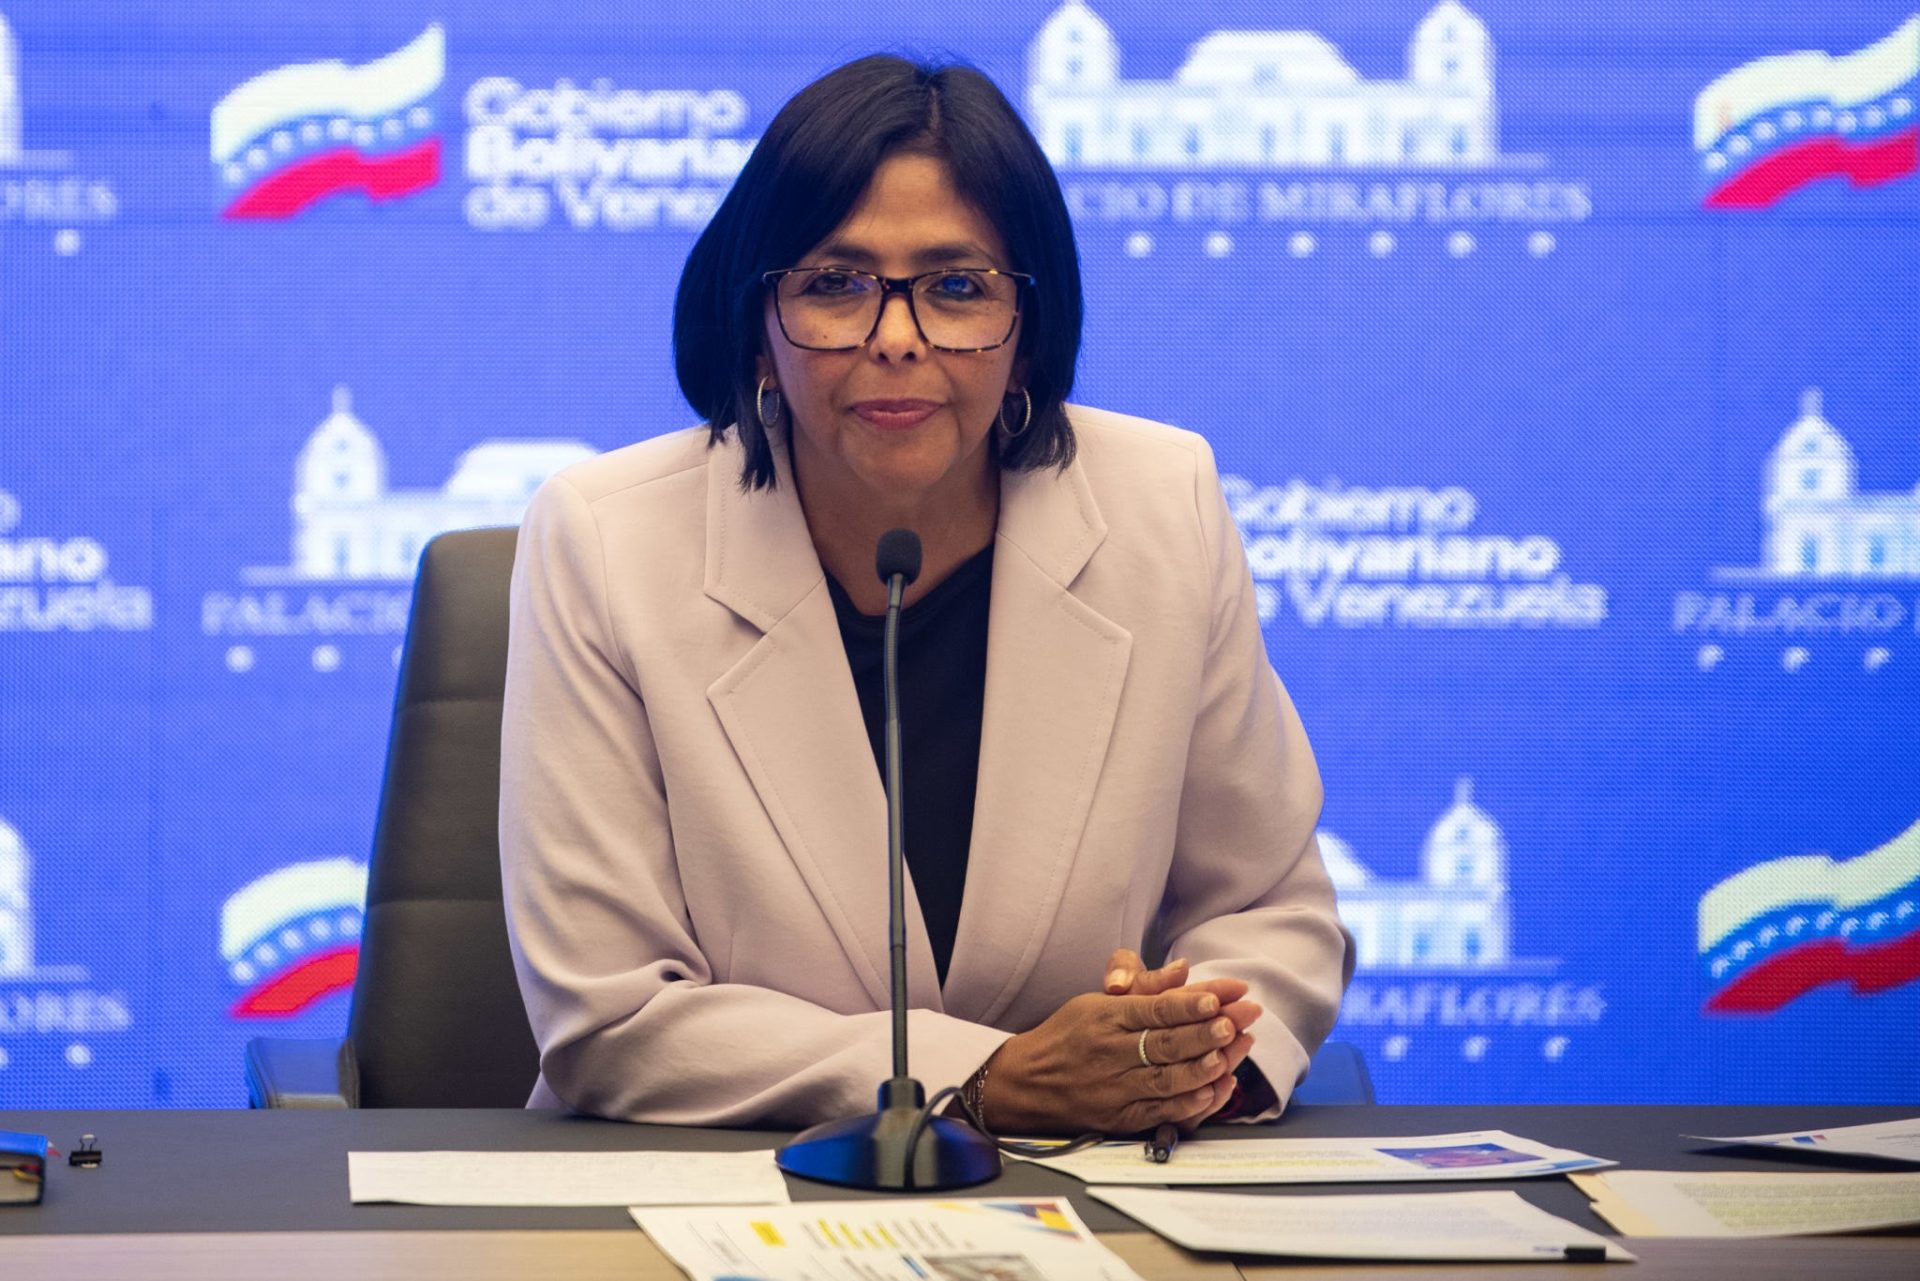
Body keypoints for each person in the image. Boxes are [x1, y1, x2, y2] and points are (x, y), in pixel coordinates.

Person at [499, 54, 1352, 1135]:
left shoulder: (1161, 504)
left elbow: (1270, 907)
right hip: (723, 1186)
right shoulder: (607, 538)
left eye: (956, 287)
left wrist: (1187, 1050)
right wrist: (993, 1079)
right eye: (835, 284)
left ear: (1028, 331)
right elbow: (611, 1015)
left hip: (1094, 1185)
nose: (896, 337)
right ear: (755, 328)